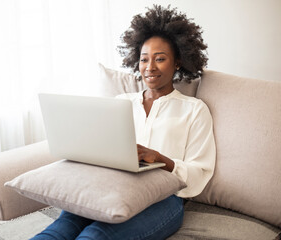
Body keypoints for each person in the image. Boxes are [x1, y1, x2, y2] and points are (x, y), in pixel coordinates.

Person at [31, 5, 215, 240]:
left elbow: (200, 172)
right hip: (109, 188)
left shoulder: (194, 109)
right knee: (56, 232)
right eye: (144, 59)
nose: (150, 67)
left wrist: (159, 158)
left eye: (160, 59)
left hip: (164, 199)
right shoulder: (121, 102)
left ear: (177, 62)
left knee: (96, 236)